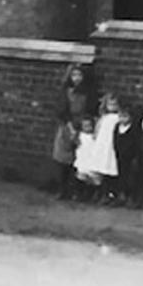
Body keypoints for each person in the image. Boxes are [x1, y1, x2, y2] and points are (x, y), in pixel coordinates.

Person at [51, 64, 96, 200]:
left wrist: (83, 126)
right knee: (62, 157)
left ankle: (77, 190)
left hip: (83, 126)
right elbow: (61, 111)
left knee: (80, 159)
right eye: (74, 75)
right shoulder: (66, 91)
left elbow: (90, 110)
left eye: (79, 75)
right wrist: (70, 127)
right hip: (66, 126)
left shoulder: (88, 92)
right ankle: (62, 188)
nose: (76, 78)